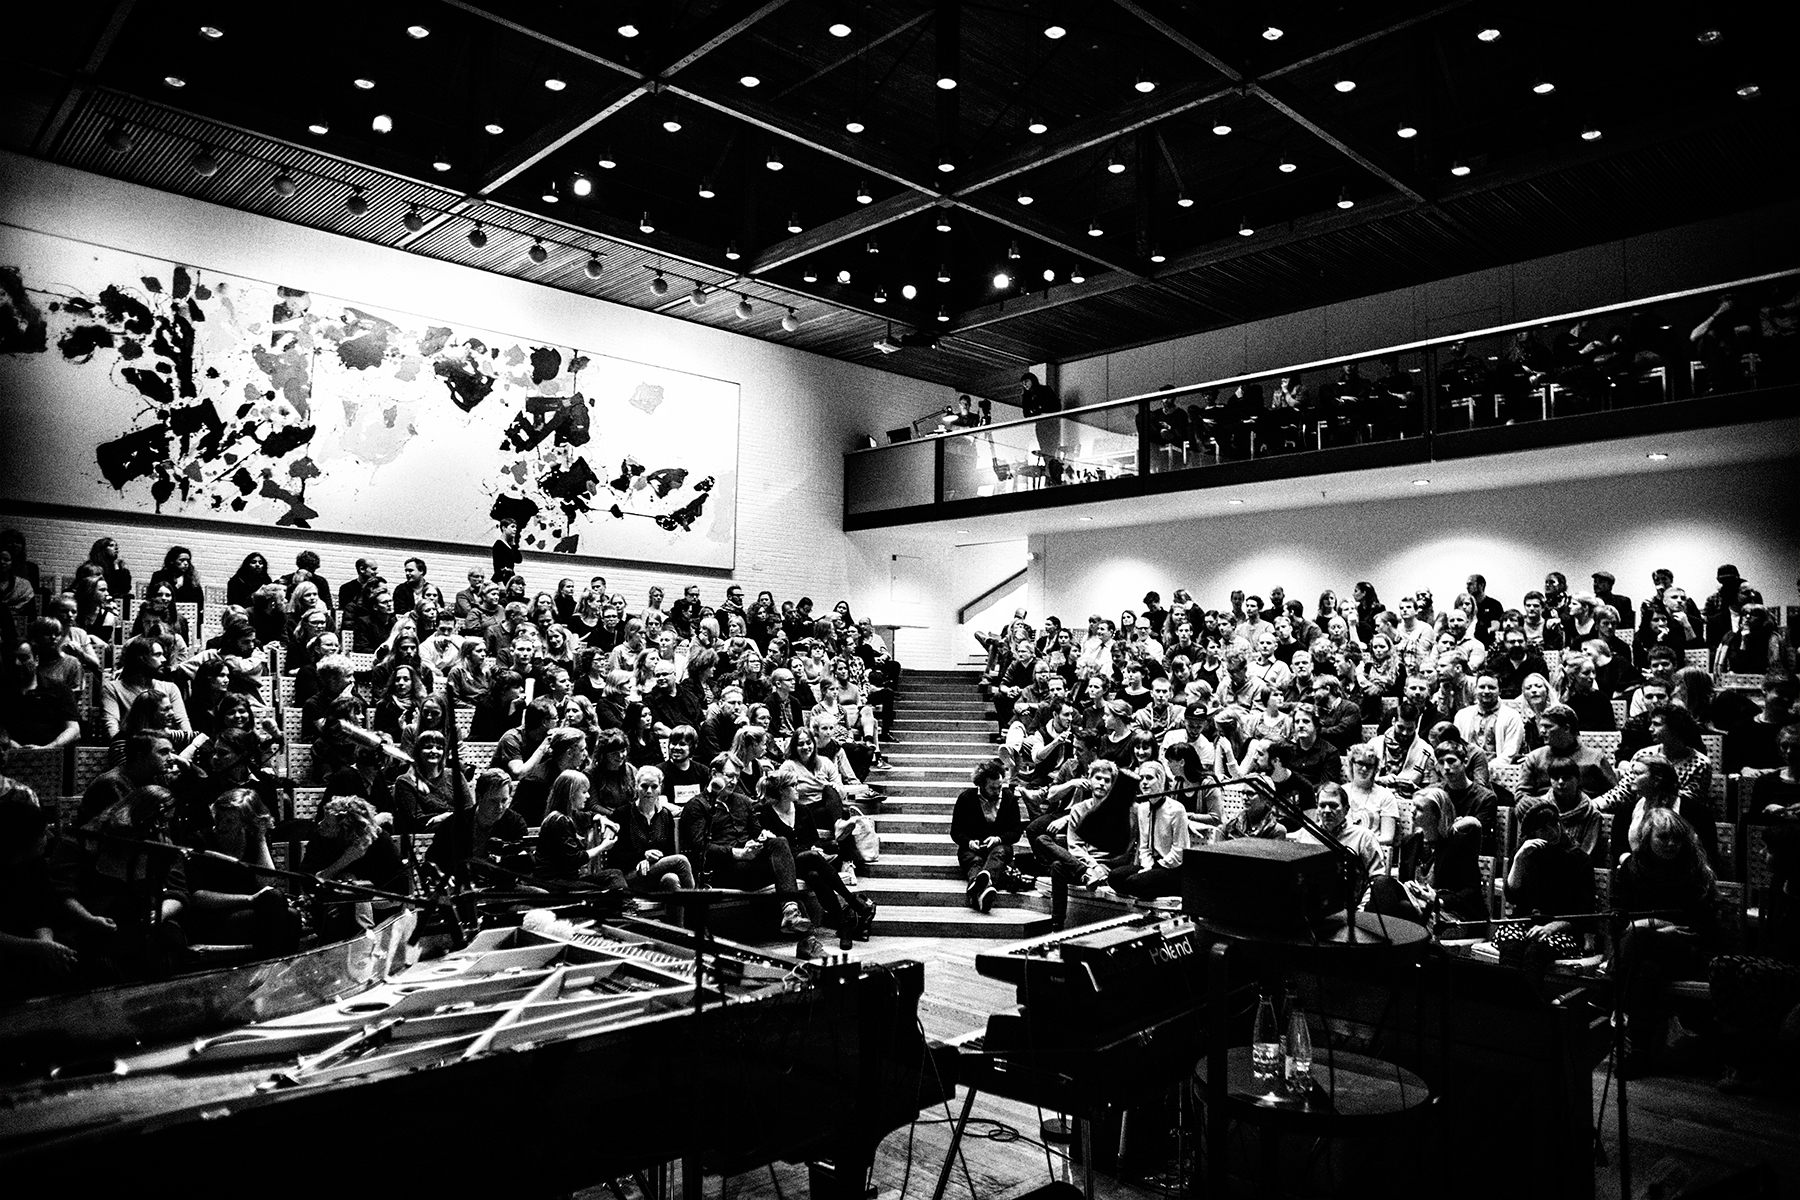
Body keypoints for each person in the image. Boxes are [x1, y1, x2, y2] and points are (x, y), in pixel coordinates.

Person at [1611, 808, 1717, 1078]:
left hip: (1686, 951)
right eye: (1663, 837)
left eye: (1677, 839)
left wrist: (1649, 926)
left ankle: (1606, 998)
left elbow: (1700, 929)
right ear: (1648, 838)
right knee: (1646, 969)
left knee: (1640, 937)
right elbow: (1617, 920)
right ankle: (1640, 1055)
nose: (1671, 844)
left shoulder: (1695, 871)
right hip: (1642, 953)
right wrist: (1655, 926)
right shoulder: (1631, 868)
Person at [677, 753, 818, 951]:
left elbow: (756, 831)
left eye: (736, 776)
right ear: (713, 774)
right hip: (721, 870)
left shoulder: (742, 801)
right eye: (728, 776)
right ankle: (806, 936)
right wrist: (738, 853)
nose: (733, 781)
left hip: (750, 865)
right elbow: (699, 849)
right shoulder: (697, 806)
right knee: (798, 870)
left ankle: (790, 911)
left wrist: (761, 837)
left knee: (779, 842)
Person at [755, 766, 872, 949]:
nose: (798, 789)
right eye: (793, 785)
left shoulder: (802, 810)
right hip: (784, 864)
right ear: (781, 790)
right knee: (812, 857)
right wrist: (812, 851)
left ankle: (843, 925)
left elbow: (814, 840)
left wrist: (817, 847)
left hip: (806, 861)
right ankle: (853, 902)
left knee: (814, 874)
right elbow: (775, 847)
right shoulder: (766, 813)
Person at [1366, 787, 1486, 925]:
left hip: (1449, 913)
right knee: (1382, 883)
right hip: (1416, 905)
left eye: (1420, 808)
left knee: (1399, 909)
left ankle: (1371, 941)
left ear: (1437, 815)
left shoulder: (1458, 843)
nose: (1412, 811)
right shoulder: (1410, 842)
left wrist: (1437, 899)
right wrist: (1409, 887)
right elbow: (1405, 880)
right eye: (1412, 806)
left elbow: (1472, 890)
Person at [300, 796, 410, 942]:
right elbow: (310, 883)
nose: (320, 825)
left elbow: (399, 891)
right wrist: (346, 859)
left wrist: (352, 902)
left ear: (346, 830)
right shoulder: (320, 838)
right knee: (347, 879)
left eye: (327, 825)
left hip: (379, 906)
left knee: (353, 891)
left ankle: (362, 945)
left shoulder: (380, 840)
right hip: (329, 906)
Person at [1290, 782, 1385, 904]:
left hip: (1353, 910)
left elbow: (1376, 882)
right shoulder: (1306, 834)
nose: (1327, 811)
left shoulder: (1363, 837)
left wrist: (1362, 912)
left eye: (1333, 806)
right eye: (1322, 805)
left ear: (1346, 809)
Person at [952, 758, 1024, 913]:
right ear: (981, 785)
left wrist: (999, 839)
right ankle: (984, 891)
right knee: (974, 860)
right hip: (972, 849)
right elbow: (956, 831)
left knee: (998, 853)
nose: (998, 792)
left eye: (1000, 787)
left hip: (999, 846)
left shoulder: (1009, 798)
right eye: (993, 788)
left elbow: (1016, 830)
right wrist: (970, 842)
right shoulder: (965, 798)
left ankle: (978, 887)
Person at [610, 766, 695, 895]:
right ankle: (695, 909)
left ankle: (681, 914)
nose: (649, 791)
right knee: (680, 860)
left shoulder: (666, 815)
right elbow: (614, 857)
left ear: (660, 788)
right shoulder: (622, 814)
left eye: (654, 786)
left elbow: (669, 852)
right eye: (644, 786)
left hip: (657, 872)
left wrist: (650, 861)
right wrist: (642, 856)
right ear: (636, 786)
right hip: (631, 876)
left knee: (671, 879)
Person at [1111, 762, 1190, 900]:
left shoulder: (1176, 809)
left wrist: (1152, 868)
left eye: (1149, 778)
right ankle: (1144, 889)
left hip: (1171, 868)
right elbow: (1144, 846)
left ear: (1161, 779)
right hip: (1151, 865)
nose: (1144, 783)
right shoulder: (1143, 808)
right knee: (1114, 877)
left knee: (1133, 883)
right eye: (1141, 778)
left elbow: (1179, 853)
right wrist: (1147, 866)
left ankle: (1175, 890)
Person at [0, 639, 81, 753]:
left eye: (23, 658)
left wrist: (48, 748)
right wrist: (11, 745)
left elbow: (73, 730)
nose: (16, 664)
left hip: (53, 758)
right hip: (7, 757)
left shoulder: (59, 689)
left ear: (36, 660)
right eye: (10, 659)